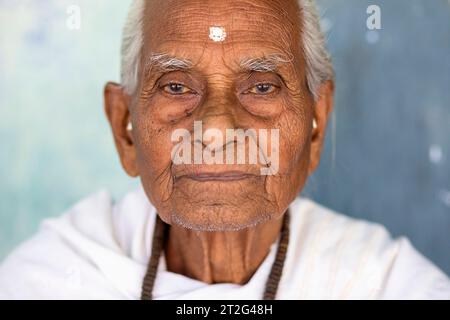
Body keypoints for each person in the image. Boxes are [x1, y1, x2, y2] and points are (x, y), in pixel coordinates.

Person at [1, 0, 449, 299]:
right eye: (175, 86)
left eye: (261, 86)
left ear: (317, 126)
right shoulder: (50, 280)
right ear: (125, 129)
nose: (215, 129)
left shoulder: (382, 286)